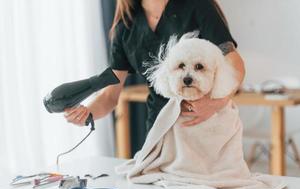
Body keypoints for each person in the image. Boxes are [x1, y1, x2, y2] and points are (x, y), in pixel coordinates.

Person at [64, 0, 245, 133]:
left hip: (206, 124)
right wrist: (87, 113)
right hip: (160, 128)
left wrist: (215, 104)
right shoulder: (125, 26)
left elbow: (233, 61)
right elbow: (110, 96)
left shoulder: (198, 6)